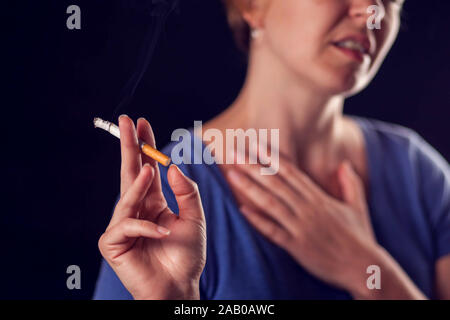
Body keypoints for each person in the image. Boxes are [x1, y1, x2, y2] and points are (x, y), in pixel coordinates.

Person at [94, 0, 450, 299]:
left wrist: (365, 270)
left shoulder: (421, 175)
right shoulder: (166, 194)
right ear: (253, 6)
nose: (371, 10)